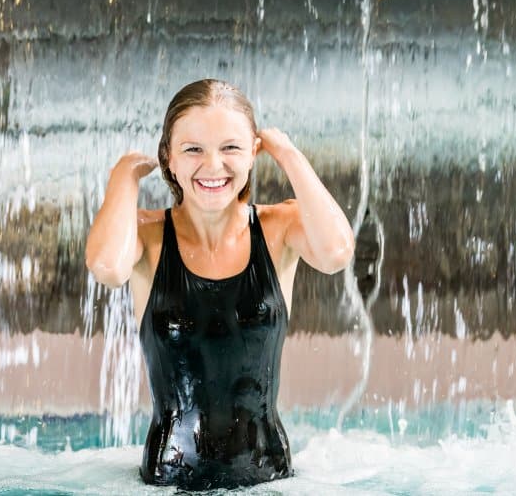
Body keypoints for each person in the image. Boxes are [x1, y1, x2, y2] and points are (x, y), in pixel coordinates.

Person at [85, 79, 354, 490]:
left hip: (269, 481)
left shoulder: (280, 227)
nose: (213, 166)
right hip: (168, 482)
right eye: (193, 149)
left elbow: (336, 253)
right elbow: (107, 267)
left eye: (230, 148)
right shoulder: (147, 236)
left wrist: (289, 155)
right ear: (169, 159)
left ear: (253, 154)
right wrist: (124, 176)